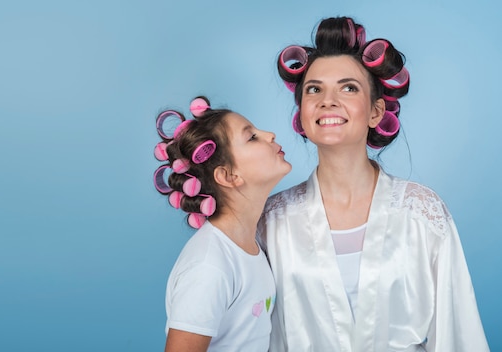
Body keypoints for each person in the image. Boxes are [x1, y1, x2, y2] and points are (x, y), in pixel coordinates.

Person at [258, 16, 489, 351]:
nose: (328, 100)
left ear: (376, 112)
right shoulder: (269, 221)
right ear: (303, 113)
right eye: (314, 89)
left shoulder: (423, 214)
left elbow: (457, 331)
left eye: (348, 87)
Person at [153, 96, 292, 351]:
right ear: (229, 176)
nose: (270, 135)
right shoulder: (210, 267)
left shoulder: (252, 247)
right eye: (252, 137)